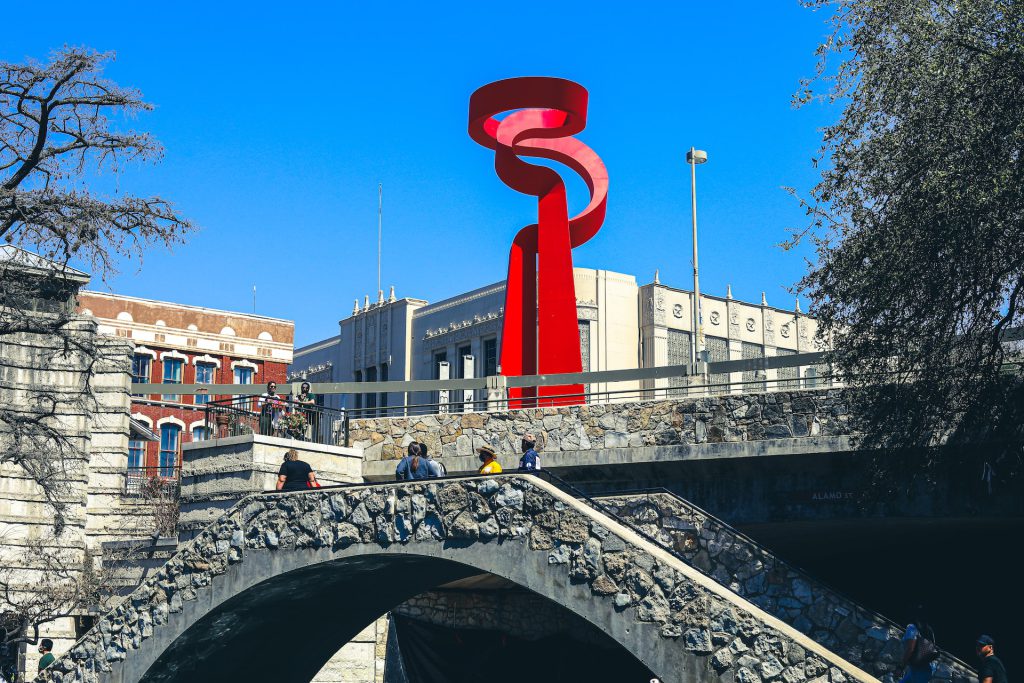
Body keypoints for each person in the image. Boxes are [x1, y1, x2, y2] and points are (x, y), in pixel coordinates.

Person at [898, 610, 937, 683]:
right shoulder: (929, 630)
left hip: (918, 671)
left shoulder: (912, 628)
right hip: (925, 668)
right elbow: (932, 649)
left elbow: (910, 649)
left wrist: (901, 667)